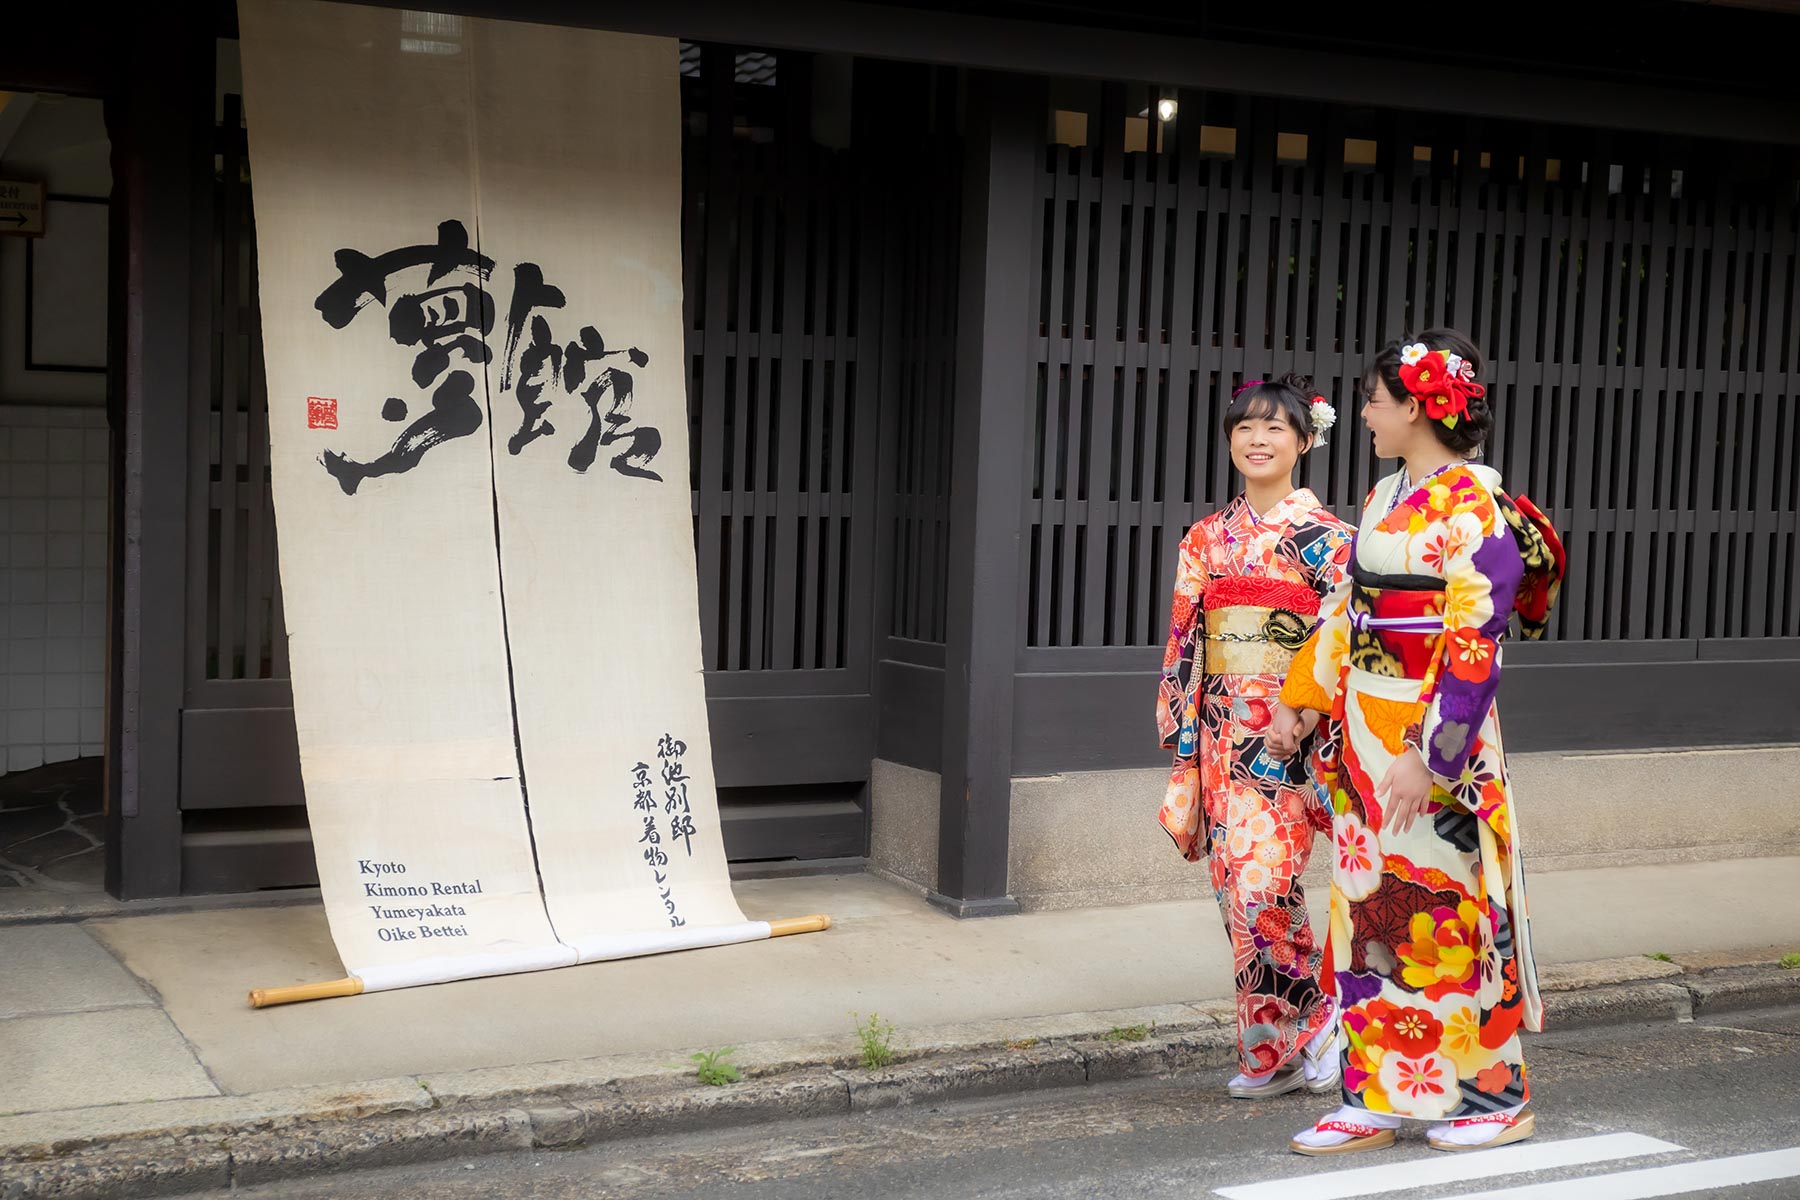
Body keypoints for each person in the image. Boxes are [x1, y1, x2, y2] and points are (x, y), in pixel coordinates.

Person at [1268, 330, 1566, 1155]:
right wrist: (1304, 699)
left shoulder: (1474, 503)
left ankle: (1489, 1095)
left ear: (1416, 409)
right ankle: (1375, 1092)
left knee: (1449, 914)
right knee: (1368, 910)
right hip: (1366, 727)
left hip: (1440, 743)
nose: (1363, 411)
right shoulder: (1382, 495)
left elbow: (1476, 643)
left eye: (1373, 399)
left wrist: (1428, 753)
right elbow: (1345, 610)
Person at [1157, 373, 1353, 1100]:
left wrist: (1306, 713)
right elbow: (1185, 638)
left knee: (1264, 886)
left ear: (1305, 441)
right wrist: (1182, 732)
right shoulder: (1208, 538)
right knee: (1236, 896)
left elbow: (1344, 643)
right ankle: (1272, 1049)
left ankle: (1313, 1027)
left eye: (1275, 429)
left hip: (1292, 738)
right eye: (1245, 428)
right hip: (1218, 734)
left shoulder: (1333, 543)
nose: (1258, 440)